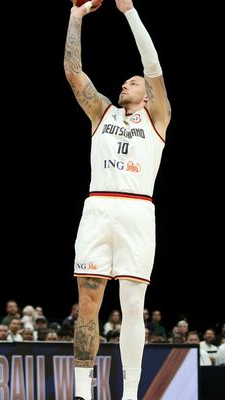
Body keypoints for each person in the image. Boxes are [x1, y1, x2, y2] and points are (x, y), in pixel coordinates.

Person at [63, 1, 171, 399]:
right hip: (98, 205)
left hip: (138, 208)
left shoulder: (157, 116)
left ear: (146, 96)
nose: (126, 83)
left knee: (131, 304)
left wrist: (128, 12)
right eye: (125, 80)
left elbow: (153, 66)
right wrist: (75, 16)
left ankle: (129, 394)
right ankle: (82, 393)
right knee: (87, 303)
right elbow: (74, 73)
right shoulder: (102, 113)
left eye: (133, 82)